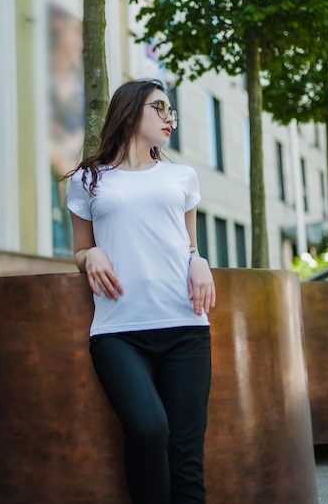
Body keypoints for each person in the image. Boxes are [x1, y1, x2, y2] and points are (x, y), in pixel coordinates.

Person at [66, 78, 216, 504]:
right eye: (161, 108)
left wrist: (200, 260)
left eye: (172, 111)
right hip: (118, 332)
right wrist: (90, 255)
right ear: (131, 112)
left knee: (187, 458)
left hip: (186, 326)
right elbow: (79, 249)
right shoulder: (89, 178)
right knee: (149, 429)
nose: (171, 118)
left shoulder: (181, 176)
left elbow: (189, 245)